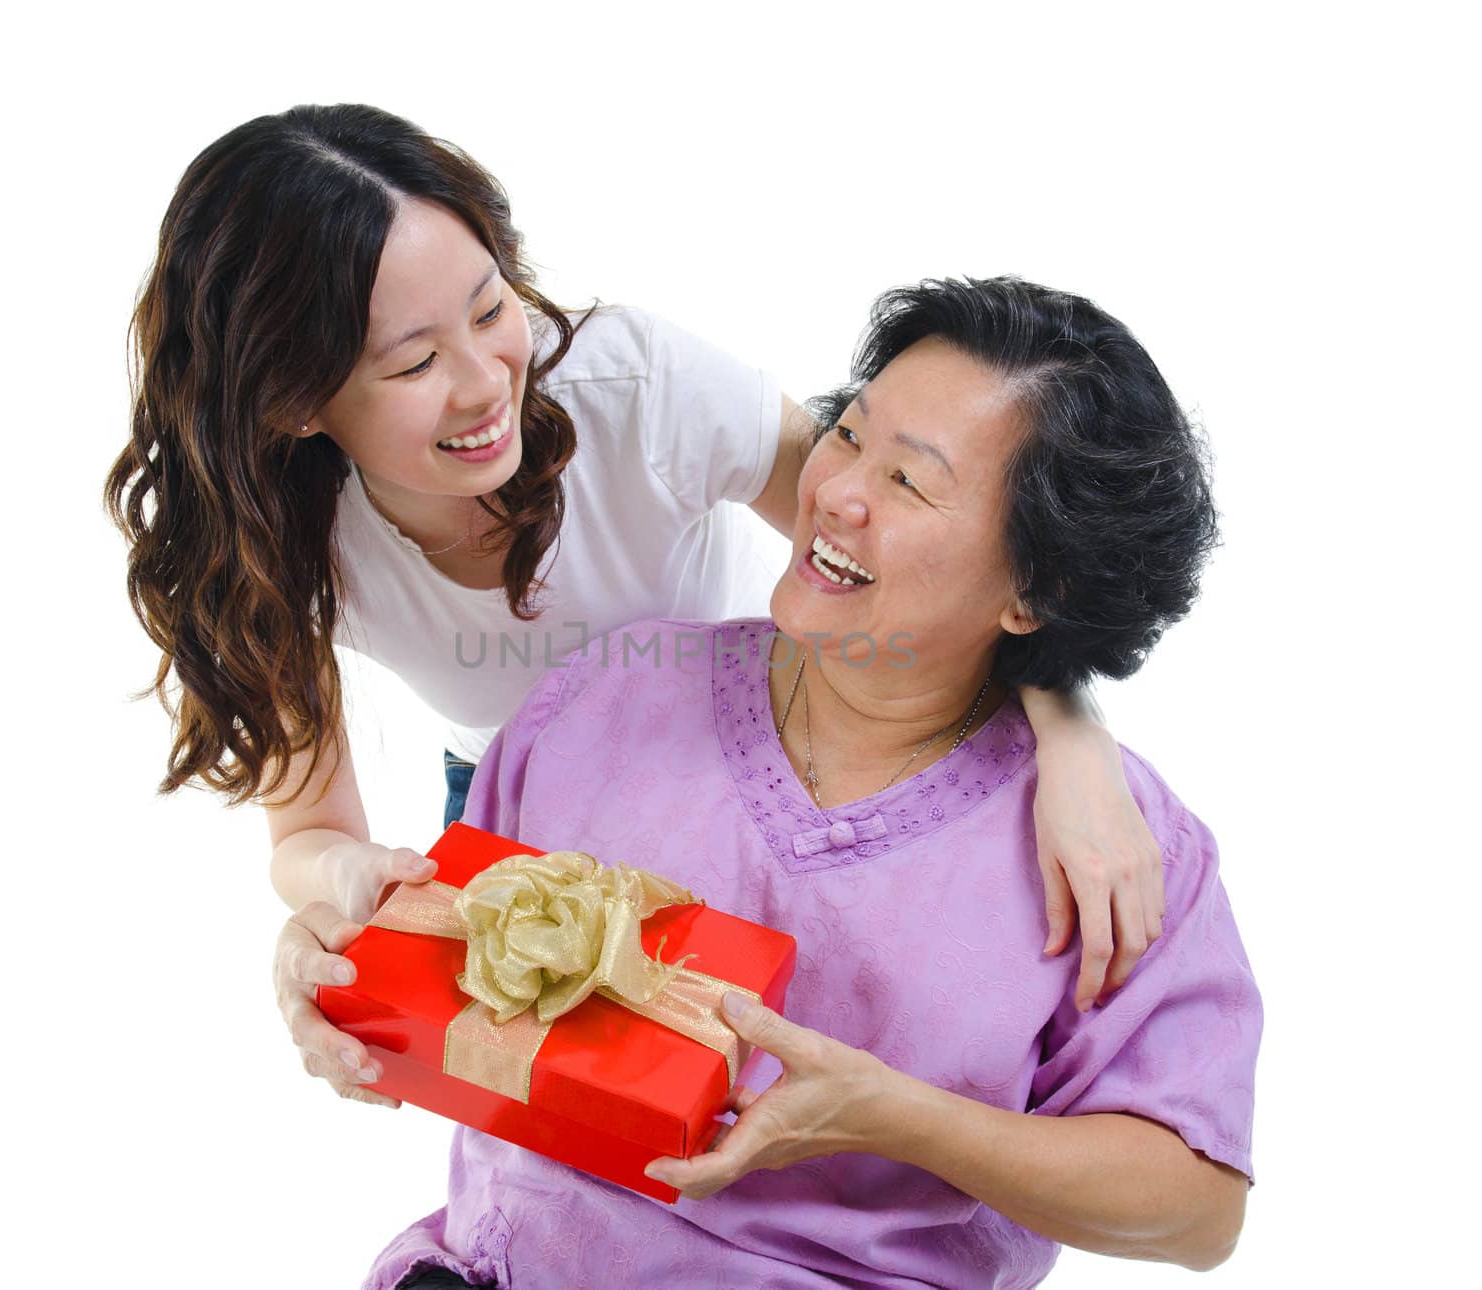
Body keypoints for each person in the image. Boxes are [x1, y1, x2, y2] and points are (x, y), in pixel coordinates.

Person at [106, 104, 1168, 1114]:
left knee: (805, 1093)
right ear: (293, 401)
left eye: (491, 309)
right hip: (521, 816)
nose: (486, 382)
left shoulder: (634, 389)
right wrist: (354, 885)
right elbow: (308, 834)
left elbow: (906, 536)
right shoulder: (279, 547)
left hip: (757, 755)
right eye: (417, 362)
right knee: (581, 1145)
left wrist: (1074, 737)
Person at [309, 276, 1261, 1289]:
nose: (836, 492)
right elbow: (445, 975)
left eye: (910, 483)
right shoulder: (600, 700)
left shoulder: (1112, 852)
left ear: (1036, 590)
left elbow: (1196, 1211)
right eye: (848, 435)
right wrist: (327, 970)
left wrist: (900, 1121)